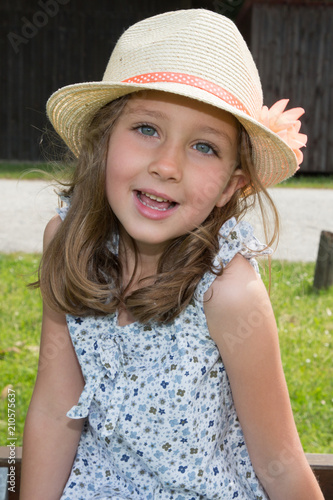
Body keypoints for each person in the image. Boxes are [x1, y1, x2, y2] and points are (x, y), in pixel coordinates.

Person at [20, 8, 323, 500]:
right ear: (102, 142)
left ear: (231, 185)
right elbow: (57, 409)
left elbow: (280, 464)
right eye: (146, 129)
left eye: (204, 146)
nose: (166, 165)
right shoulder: (67, 242)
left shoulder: (228, 293)